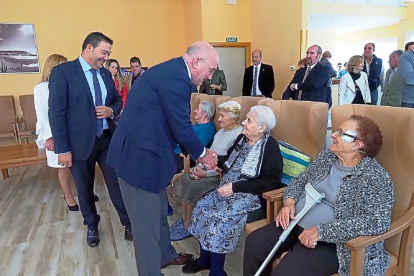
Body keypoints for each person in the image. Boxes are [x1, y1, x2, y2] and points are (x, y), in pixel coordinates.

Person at [106, 41, 219, 276]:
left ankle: (166, 255)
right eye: (210, 70)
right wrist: (203, 155)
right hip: (139, 161)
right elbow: (181, 125)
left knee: (158, 212)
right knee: (145, 228)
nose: (210, 76)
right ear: (196, 61)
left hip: (152, 157)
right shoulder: (176, 77)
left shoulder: (174, 72)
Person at [244, 115, 394, 276]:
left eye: (342, 133)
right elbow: (300, 181)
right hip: (295, 222)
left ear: (357, 145)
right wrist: (289, 202)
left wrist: (323, 231)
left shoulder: (374, 177)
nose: (334, 134)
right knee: (256, 242)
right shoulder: (327, 157)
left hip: (332, 242)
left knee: (287, 272)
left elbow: (376, 222)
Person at [48, 32, 132, 248]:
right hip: (78, 145)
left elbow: (117, 101)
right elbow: (56, 113)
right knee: (84, 188)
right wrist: (63, 149)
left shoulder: (105, 75)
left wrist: (110, 111)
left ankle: (128, 222)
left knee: (116, 184)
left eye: (108, 54)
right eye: (104, 52)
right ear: (89, 48)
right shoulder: (63, 73)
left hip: (106, 140)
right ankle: (92, 225)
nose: (106, 57)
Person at [182, 105, 283, 276]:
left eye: (249, 120)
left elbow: (270, 182)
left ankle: (216, 271)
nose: (243, 122)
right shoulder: (243, 139)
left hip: (250, 195)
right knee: (201, 207)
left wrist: (236, 187)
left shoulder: (270, 147)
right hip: (227, 187)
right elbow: (229, 161)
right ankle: (205, 260)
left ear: (262, 128)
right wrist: (214, 160)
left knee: (219, 219)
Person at [170, 100, 243, 241]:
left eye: (223, 116)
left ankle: (188, 226)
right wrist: (199, 167)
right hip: (207, 170)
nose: (219, 119)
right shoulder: (221, 132)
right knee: (186, 179)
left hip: (220, 176)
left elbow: (229, 165)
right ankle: (186, 219)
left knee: (193, 187)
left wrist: (206, 173)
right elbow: (209, 155)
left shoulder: (238, 136)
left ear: (233, 118)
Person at [34, 54, 79, 211]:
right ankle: (69, 197)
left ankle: (85, 192)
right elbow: (43, 115)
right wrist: (50, 137)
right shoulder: (41, 88)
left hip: (72, 131)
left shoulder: (66, 84)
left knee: (79, 165)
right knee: (64, 167)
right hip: (55, 134)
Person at [174, 101, 216, 173]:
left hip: (183, 157)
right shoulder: (197, 125)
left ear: (204, 114)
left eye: (198, 109)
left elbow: (196, 147)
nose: (195, 111)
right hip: (176, 152)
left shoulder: (208, 129)